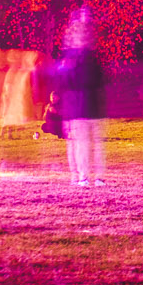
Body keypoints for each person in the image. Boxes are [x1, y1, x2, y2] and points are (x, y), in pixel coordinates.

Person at [54, 11, 107, 187]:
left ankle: (83, 177)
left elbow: (64, 81)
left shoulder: (71, 59)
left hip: (79, 106)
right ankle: (89, 177)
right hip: (85, 106)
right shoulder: (89, 57)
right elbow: (98, 80)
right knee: (89, 143)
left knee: (82, 143)